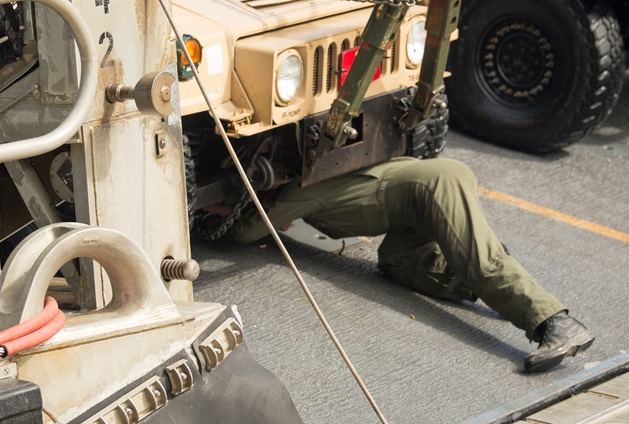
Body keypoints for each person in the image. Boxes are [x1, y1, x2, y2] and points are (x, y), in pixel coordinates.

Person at [222, 156, 594, 373]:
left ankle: (554, 324)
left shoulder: (296, 191)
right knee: (399, 263)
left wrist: (215, 215)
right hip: (409, 209)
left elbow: (246, 231)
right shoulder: (327, 164)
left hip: (434, 187)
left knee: (480, 262)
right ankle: (484, 280)